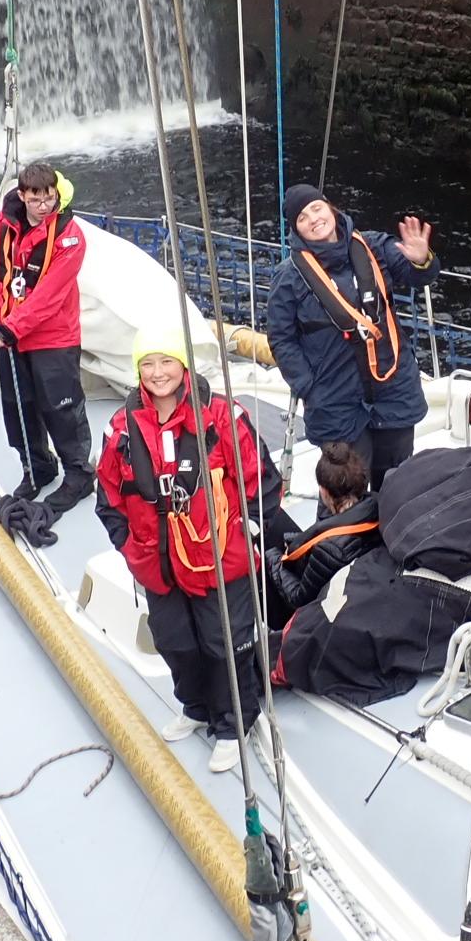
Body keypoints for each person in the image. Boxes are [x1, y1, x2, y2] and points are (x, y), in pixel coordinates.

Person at [95, 327, 285, 774]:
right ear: (138, 369)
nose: (158, 373)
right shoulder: (121, 427)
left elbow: (262, 484)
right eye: (148, 363)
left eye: (166, 362)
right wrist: (130, 548)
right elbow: (108, 496)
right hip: (157, 562)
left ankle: (233, 723)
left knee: (226, 645)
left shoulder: (221, 417)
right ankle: (196, 706)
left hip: (218, 560)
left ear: (183, 366)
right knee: (175, 641)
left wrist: (241, 538)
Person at [265, 184, 441, 489]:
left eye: (316, 208)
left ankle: (391, 535)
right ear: (296, 229)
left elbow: (419, 275)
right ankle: (345, 537)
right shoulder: (289, 276)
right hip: (335, 401)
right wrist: (309, 387)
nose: (314, 219)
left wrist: (421, 259)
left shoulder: (374, 246)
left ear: (330, 207)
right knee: (344, 490)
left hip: (392, 390)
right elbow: (281, 338)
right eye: (303, 217)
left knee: (396, 483)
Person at [0, 162, 94, 513]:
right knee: (18, 407)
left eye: (49, 198)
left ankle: (79, 474)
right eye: (36, 198)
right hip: (10, 336)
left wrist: (8, 328)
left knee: (62, 408)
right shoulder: (3, 226)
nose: (44, 206)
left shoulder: (70, 237)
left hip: (53, 337)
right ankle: (37, 466)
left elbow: (50, 295)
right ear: (23, 196)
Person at [267, 441, 381, 631]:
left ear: (325, 492)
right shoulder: (376, 508)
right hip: (361, 593)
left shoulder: (330, 550)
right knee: (276, 521)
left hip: (324, 618)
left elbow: (298, 599)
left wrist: (272, 558)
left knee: (263, 551)